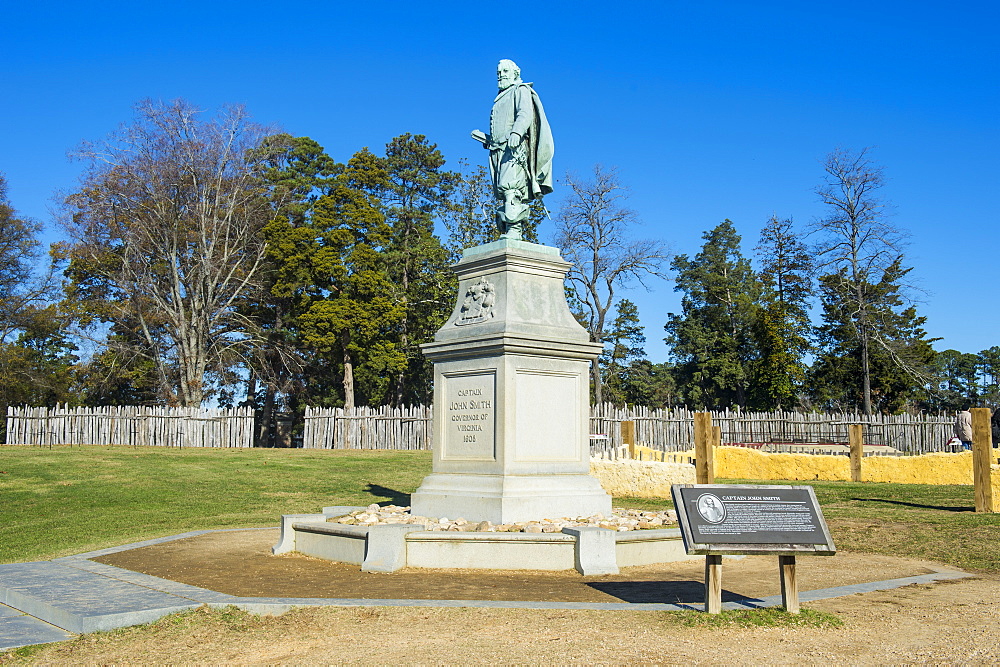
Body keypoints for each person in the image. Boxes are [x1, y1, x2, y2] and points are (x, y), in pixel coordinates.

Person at [471, 59, 554, 240]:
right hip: (497, 149)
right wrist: (487, 139)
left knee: (511, 187)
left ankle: (514, 229)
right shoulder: (501, 96)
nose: (501, 75)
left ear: (515, 73)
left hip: (514, 149)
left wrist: (516, 133)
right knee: (502, 190)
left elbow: (525, 114)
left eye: (505, 71)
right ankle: (508, 227)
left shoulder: (520, 90)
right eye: (499, 72)